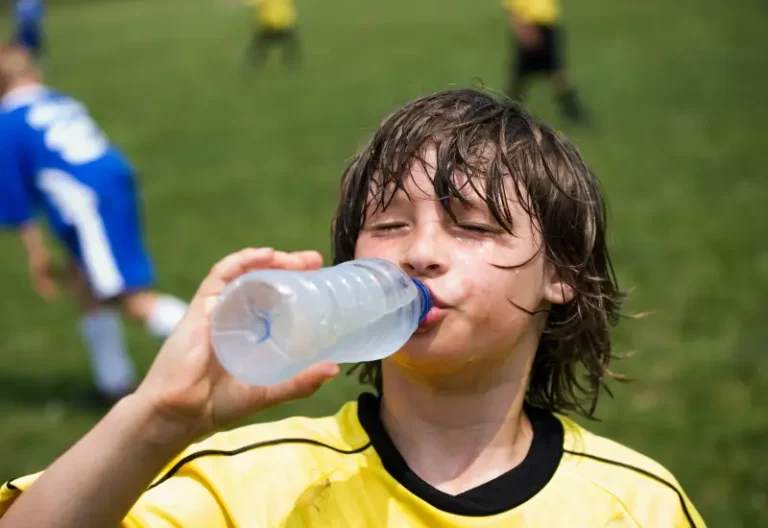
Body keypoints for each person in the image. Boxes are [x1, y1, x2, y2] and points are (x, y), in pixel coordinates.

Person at [0, 89, 706, 527]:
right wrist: (155, 420)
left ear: (563, 276)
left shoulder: (637, 505)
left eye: (473, 225)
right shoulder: (250, 487)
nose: (420, 252)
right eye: (390, 225)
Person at [0, 44, 188, 402]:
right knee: (84, 282)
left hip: (87, 203)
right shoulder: (58, 99)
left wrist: (36, 256)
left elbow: (18, 204)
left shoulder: (7, 124)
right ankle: (112, 381)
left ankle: (222, 341)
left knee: (125, 296)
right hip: (112, 183)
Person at [504, 0, 588, 124]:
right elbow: (514, 8)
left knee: (556, 73)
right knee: (522, 76)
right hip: (532, 29)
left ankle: (573, 113)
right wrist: (524, 30)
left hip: (548, 28)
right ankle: (506, 111)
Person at [243, 0, 301, 69]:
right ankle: (293, 63)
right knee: (292, 44)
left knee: (259, 46)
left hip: (269, 26)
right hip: (285, 25)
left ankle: (252, 63)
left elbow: (252, 2)